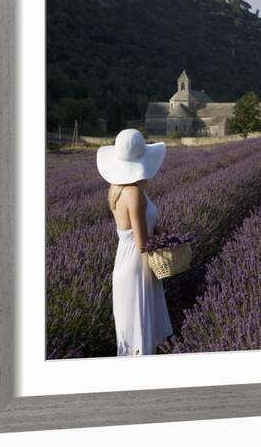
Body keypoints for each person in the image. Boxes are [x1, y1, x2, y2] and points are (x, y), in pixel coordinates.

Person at [96, 128, 173, 356]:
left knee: (130, 334)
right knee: (140, 332)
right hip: (137, 267)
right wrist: (167, 243)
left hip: (125, 263)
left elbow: (129, 229)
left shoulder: (118, 190)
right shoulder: (135, 193)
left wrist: (157, 229)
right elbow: (141, 243)